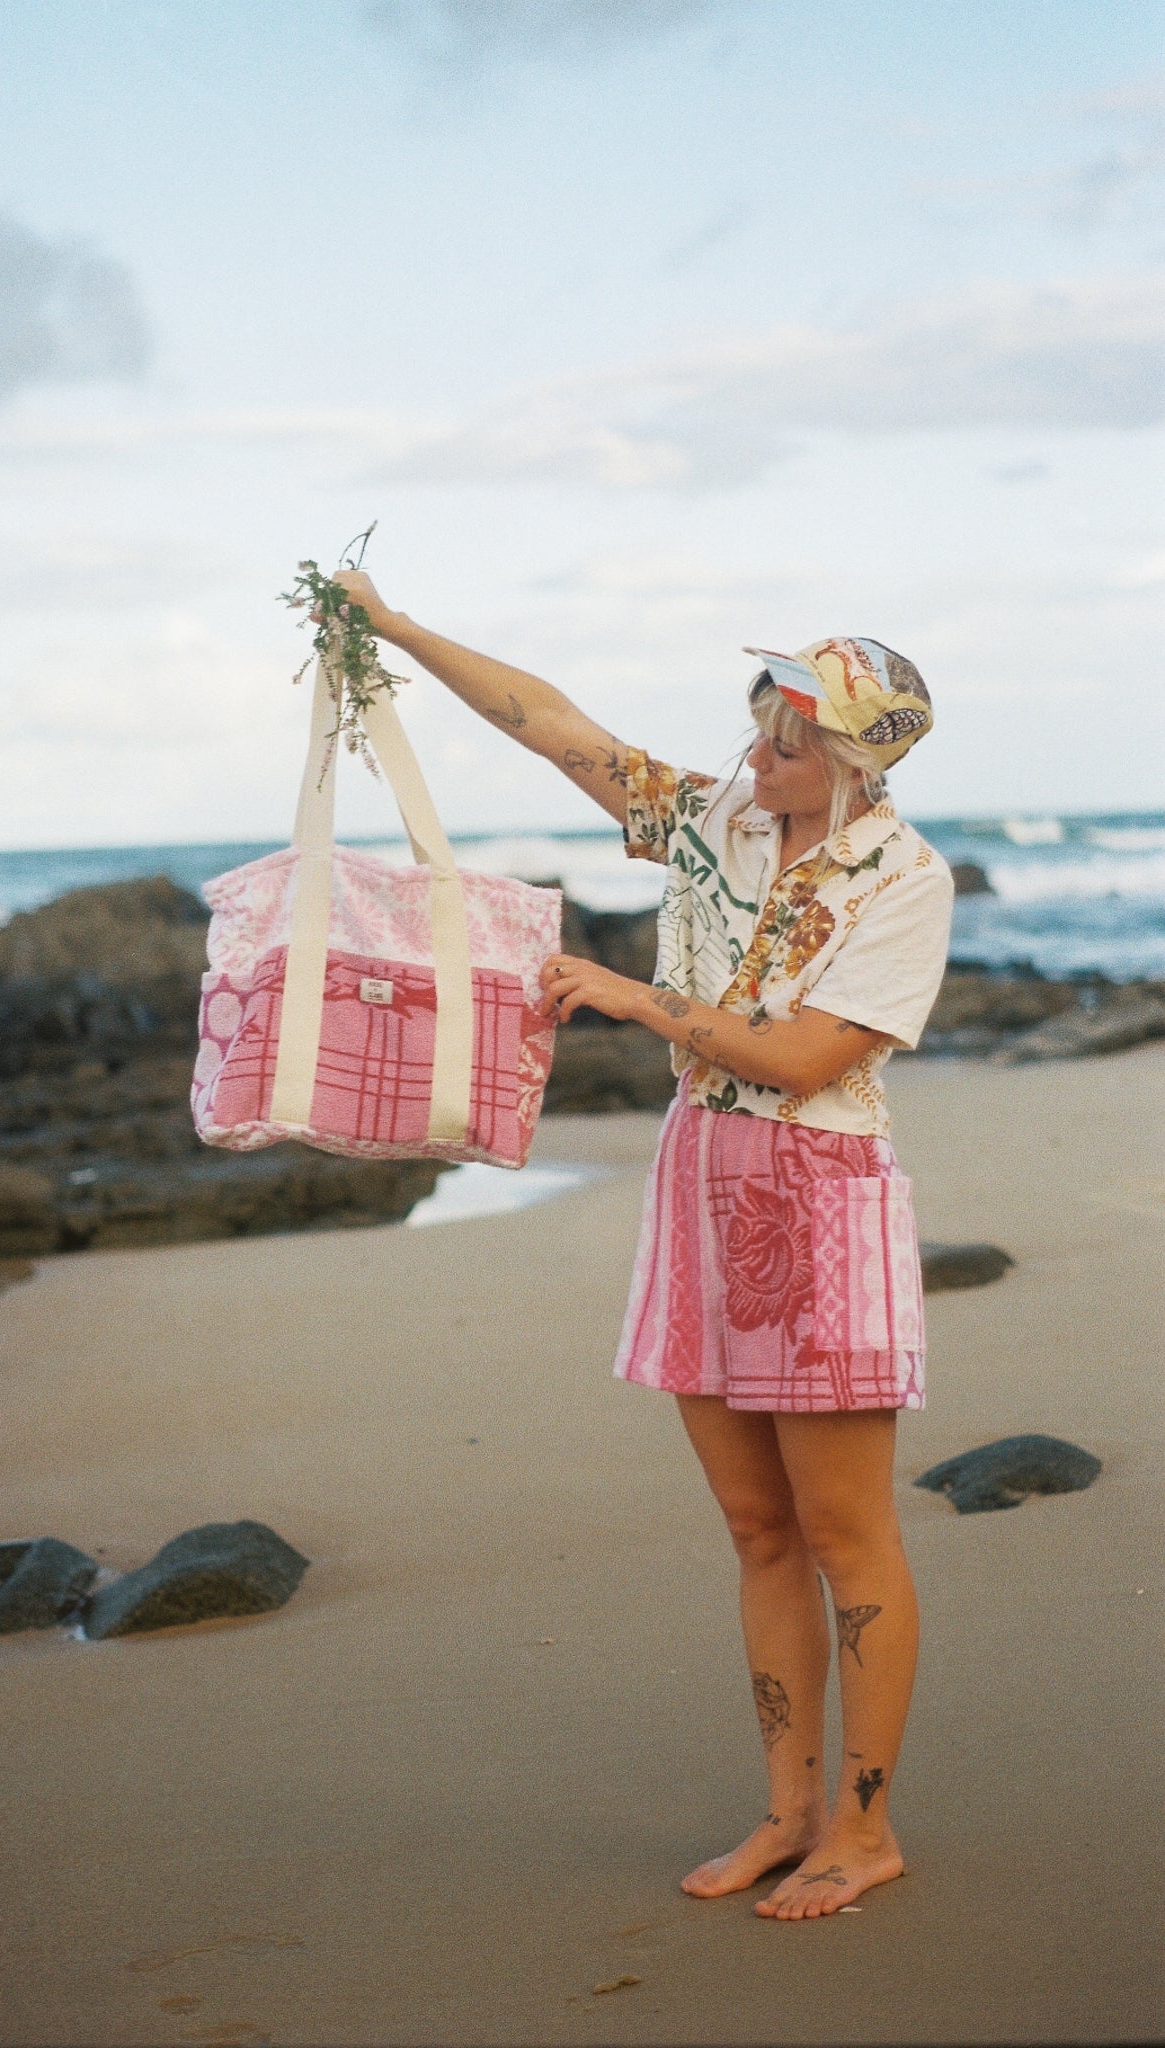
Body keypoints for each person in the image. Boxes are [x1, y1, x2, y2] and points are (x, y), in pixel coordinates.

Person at [334, 569, 953, 1922]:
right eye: (760, 722)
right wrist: (392, 626)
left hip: (818, 1194)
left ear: (853, 760)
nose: (756, 753)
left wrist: (635, 998)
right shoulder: (715, 821)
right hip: (699, 1183)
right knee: (754, 1527)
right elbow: (548, 724)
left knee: (847, 1534)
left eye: (790, 739)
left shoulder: (903, 879)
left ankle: (863, 1828)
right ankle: (786, 1815)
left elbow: (802, 1059)